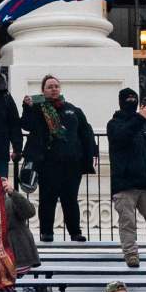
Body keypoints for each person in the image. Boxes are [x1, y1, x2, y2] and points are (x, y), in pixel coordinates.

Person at [21, 75, 98, 243]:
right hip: (47, 163)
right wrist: (27, 108)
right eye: (49, 87)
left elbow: (86, 133)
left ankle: (75, 232)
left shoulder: (73, 110)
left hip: (71, 164)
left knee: (70, 199)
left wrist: (91, 154)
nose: (53, 89)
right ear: (43, 90)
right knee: (47, 199)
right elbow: (26, 125)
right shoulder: (37, 109)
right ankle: (47, 232)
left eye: (56, 86)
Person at [107, 88, 146, 269]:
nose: (132, 101)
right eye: (128, 99)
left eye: (134, 98)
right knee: (128, 222)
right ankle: (131, 255)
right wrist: (139, 118)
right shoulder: (114, 124)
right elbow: (121, 138)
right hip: (125, 184)